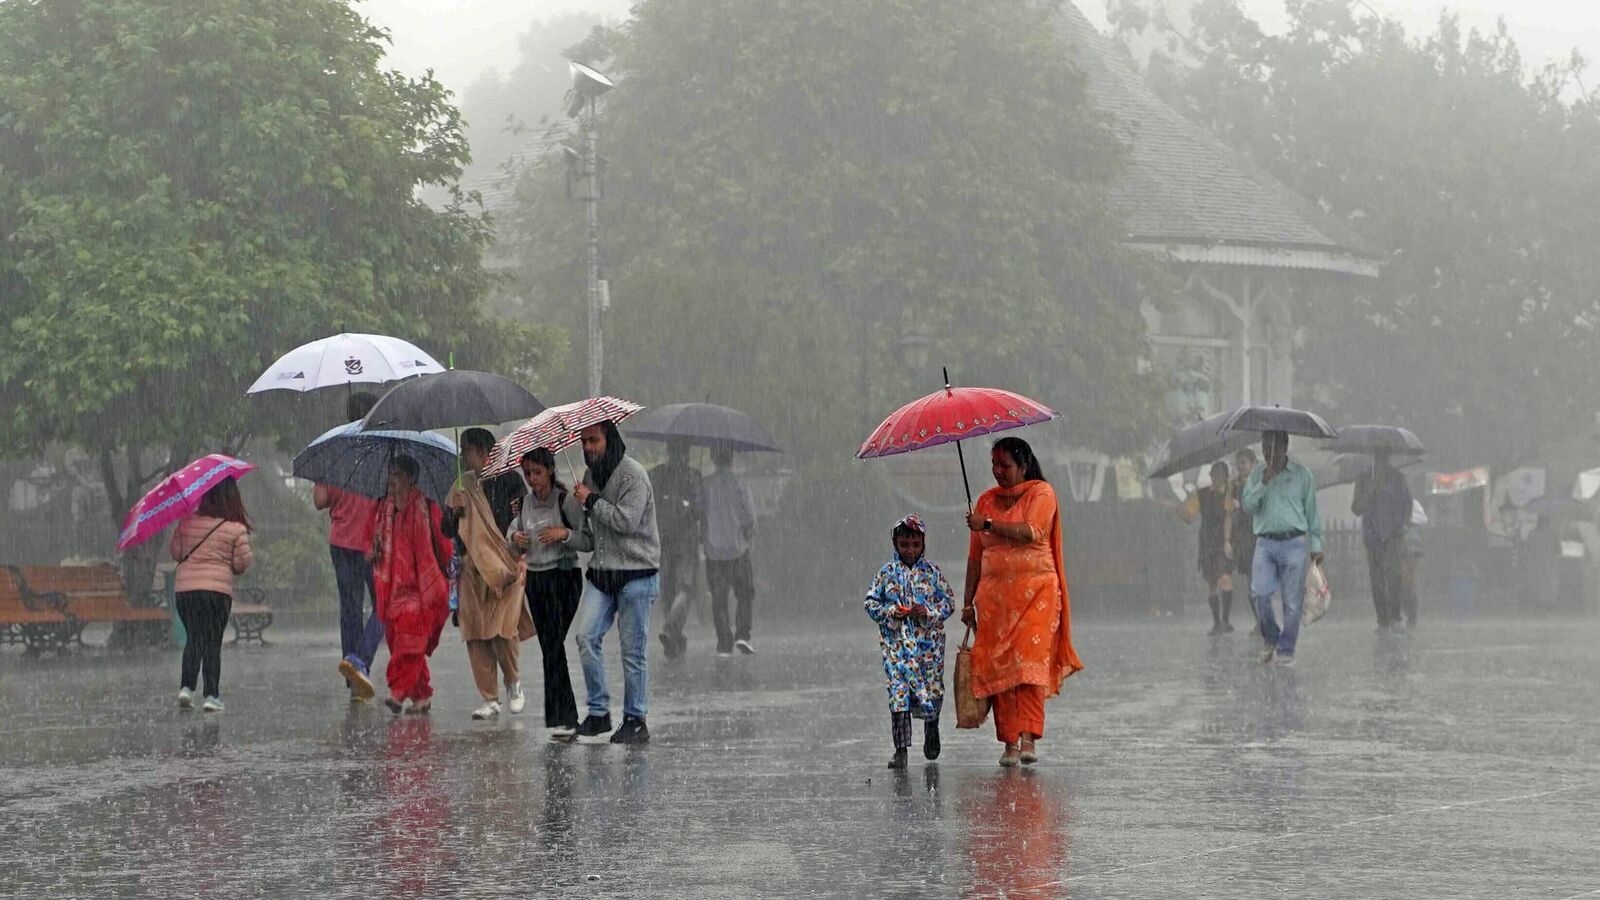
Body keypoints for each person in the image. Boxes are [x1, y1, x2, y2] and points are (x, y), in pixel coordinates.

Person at [961, 437, 1083, 767]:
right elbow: (975, 558)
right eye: (994, 465)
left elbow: (1031, 532)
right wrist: (967, 603)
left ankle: (1029, 738)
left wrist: (986, 524)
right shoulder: (984, 500)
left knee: (1028, 667)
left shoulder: (1042, 493)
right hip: (995, 602)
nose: (998, 471)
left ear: (1023, 465)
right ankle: (1009, 743)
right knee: (1000, 667)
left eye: (1005, 465)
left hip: (1037, 596)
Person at [571, 421, 661, 745]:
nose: (588, 448)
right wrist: (564, 534)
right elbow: (588, 538)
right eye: (583, 441)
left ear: (609, 439)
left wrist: (592, 501)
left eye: (593, 440)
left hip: (637, 573)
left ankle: (636, 719)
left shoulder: (633, 474)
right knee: (585, 637)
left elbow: (626, 521)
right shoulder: (588, 477)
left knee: (632, 651)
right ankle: (598, 713)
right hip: (603, 574)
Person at [447, 427, 534, 721]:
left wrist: (521, 557)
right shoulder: (461, 486)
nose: (462, 456)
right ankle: (489, 697)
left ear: (483, 452)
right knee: (474, 632)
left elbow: (524, 522)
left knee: (503, 628)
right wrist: (453, 512)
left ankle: (513, 683)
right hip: (472, 568)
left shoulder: (511, 481)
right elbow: (449, 532)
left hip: (506, 566)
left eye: (466, 450)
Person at [507, 447, 592, 740]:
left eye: (537, 472)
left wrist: (563, 535)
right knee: (549, 647)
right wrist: (515, 540)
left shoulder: (565, 501)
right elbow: (512, 541)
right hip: (537, 582)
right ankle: (560, 718)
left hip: (564, 579)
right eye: (527, 473)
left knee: (554, 644)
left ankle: (566, 717)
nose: (532, 479)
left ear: (550, 470)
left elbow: (587, 539)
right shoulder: (521, 506)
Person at [864, 514, 954, 770]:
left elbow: (948, 603)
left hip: (930, 649)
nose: (910, 551)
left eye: (915, 545)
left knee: (933, 690)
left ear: (923, 543)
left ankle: (931, 726)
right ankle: (900, 749)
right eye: (904, 545)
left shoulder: (933, 573)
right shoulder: (886, 573)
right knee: (898, 695)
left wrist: (928, 612)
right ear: (895, 543)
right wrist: (891, 613)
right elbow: (870, 603)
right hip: (897, 649)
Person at [370, 456, 453, 715]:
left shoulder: (427, 508)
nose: (393, 480)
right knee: (399, 642)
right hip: (392, 589)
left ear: (410, 478)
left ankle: (398, 692)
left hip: (420, 589)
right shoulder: (384, 510)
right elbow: (372, 544)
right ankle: (421, 696)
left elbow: (444, 547)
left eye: (398, 474)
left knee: (410, 643)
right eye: (391, 474)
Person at [316, 391, 384, 701]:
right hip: (374, 542)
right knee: (385, 605)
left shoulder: (334, 449)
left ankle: (353, 671)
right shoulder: (381, 449)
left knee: (350, 609)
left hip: (340, 541)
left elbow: (320, 501)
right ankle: (361, 662)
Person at [1240, 430, 1324, 668]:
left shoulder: (1302, 476)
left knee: (1292, 601)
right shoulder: (1257, 475)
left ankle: (1287, 648)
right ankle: (1271, 636)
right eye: (1265, 449)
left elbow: (1312, 513)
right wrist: (1263, 483)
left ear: (1284, 448)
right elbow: (1247, 505)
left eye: (1273, 449)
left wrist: (1316, 545)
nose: (1269, 454)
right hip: (1265, 543)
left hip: (1294, 543)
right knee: (1260, 594)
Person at [170, 479, 254, 713]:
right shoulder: (235, 528)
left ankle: (186, 687)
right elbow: (240, 564)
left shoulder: (187, 522)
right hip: (217, 593)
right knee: (212, 642)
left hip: (186, 592)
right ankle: (211, 695)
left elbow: (176, 552)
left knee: (194, 638)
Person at [650, 439, 704, 659]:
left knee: (669, 589)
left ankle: (675, 637)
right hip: (686, 540)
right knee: (686, 587)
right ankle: (672, 628)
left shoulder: (656, 474)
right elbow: (699, 509)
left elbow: (649, 505)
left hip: (663, 539)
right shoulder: (694, 476)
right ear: (687, 454)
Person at [703, 443, 758, 657]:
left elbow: (699, 512)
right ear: (731, 459)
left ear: (713, 459)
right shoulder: (741, 484)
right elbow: (750, 517)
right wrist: (748, 533)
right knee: (745, 593)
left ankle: (724, 643)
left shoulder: (705, 484)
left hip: (713, 551)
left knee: (719, 599)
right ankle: (742, 634)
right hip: (738, 550)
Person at [1352, 452, 1414, 632]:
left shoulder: (1397, 478)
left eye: (1384, 457)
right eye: (1378, 457)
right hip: (1372, 536)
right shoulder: (1364, 478)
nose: (1381, 461)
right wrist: (1369, 493)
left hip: (1393, 535)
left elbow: (1407, 504)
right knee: (1377, 579)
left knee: (1394, 575)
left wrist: (1404, 523)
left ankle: (1395, 616)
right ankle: (1382, 619)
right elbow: (1356, 507)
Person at [1190, 460, 1236, 635]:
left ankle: (1226, 620)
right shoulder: (1202, 494)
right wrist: (1175, 506)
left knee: (1225, 578)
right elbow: (1190, 514)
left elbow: (1228, 517)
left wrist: (1226, 540)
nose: (1215, 478)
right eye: (1213, 474)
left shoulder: (1229, 494)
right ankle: (1216, 622)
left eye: (1219, 475)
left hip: (1222, 540)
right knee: (1211, 582)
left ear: (1225, 477)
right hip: (1207, 540)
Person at [1232, 448, 1259, 618]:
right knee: (1250, 579)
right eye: (1238, 463)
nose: (1240, 466)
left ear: (1253, 464)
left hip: (1260, 534)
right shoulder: (1235, 487)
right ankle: (1259, 620)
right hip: (1245, 536)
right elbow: (1233, 514)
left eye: (1244, 463)